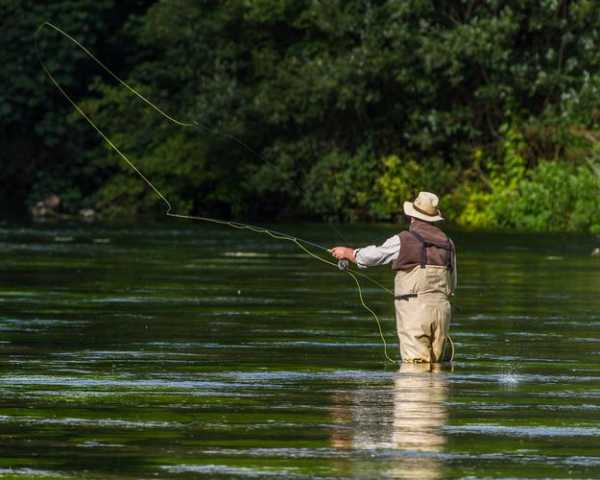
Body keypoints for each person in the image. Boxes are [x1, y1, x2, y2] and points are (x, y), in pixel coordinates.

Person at [330, 192, 456, 363]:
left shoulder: (404, 240)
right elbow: (453, 283)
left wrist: (350, 253)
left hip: (414, 312)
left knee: (415, 368)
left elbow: (375, 255)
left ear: (412, 217)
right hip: (443, 312)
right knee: (436, 367)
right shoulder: (448, 243)